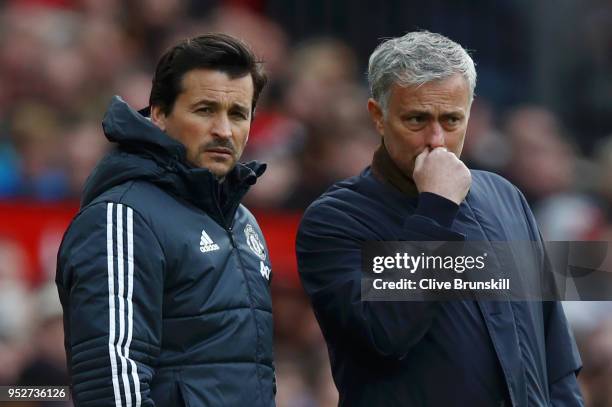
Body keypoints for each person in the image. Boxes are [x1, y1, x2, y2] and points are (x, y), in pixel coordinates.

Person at [296, 31, 584, 406]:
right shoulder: (334, 220)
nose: (436, 140)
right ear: (378, 117)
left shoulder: (505, 196)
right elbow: (387, 332)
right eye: (417, 119)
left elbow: (555, 357)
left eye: (451, 120)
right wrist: (436, 207)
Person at [56, 33, 276, 406]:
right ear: (158, 113)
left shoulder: (243, 222)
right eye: (205, 110)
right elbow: (111, 383)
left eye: (238, 114)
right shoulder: (123, 218)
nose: (224, 130)